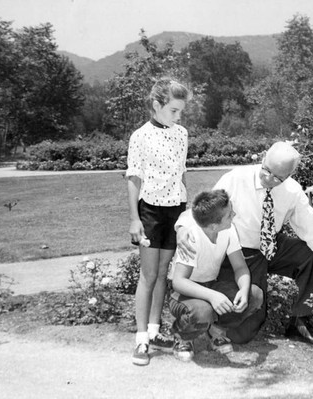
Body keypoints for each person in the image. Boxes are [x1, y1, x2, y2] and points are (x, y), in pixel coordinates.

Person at [176, 141, 313, 345]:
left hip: (271, 246)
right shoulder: (236, 178)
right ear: (263, 159)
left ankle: (300, 322)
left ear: (289, 175)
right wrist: (183, 227)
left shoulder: (292, 191)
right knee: (243, 333)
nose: (269, 179)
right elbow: (206, 209)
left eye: (278, 178)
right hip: (240, 251)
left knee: (309, 255)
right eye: (267, 171)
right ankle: (209, 325)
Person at [126, 77, 191, 366]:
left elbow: (182, 173)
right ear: (157, 105)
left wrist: (186, 211)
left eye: (181, 112)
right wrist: (134, 219)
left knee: (164, 273)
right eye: (174, 110)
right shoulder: (140, 136)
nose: (178, 116)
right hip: (150, 211)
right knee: (148, 275)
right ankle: (141, 340)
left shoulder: (182, 134)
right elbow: (133, 178)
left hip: (175, 209)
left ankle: (155, 331)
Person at [169, 189, 263, 362]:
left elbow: (240, 267)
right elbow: (179, 282)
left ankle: (215, 330)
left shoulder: (228, 230)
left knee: (255, 295)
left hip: (211, 285)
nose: (234, 214)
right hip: (184, 293)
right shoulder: (192, 236)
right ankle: (182, 336)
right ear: (213, 226)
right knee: (202, 311)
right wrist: (213, 296)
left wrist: (243, 289)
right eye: (229, 215)